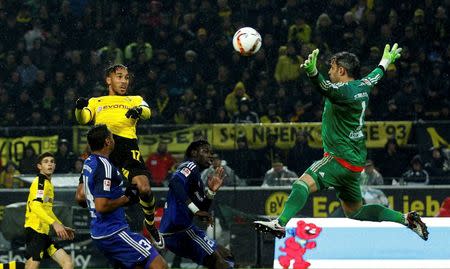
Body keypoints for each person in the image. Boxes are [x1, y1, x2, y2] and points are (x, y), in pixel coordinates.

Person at [254, 44, 429, 241]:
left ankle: (280, 222)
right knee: (354, 212)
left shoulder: (343, 91)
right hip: (354, 163)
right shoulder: (363, 85)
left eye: (331, 67)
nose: (329, 71)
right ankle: (406, 219)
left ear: (341, 70)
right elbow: (376, 75)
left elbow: (324, 87)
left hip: (338, 158)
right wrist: (385, 61)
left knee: (301, 185)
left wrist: (313, 73)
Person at [74, 64, 164, 248]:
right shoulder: (96, 102)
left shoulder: (134, 99)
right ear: (108, 80)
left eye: (126, 78)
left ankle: (150, 223)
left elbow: (147, 111)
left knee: (144, 189)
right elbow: (83, 118)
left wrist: (138, 111)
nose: (124, 81)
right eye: (119, 77)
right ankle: (114, 212)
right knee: (81, 197)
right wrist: (79, 108)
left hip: (126, 147)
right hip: (101, 149)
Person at [75, 124, 167, 269]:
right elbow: (101, 206)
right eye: (112, 136)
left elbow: (80, 196)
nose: (114, 139)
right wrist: (126, 198)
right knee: (159, 265)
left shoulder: (89, 162)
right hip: (113, 232)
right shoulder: (104, 167)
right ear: (107, 141)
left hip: (99, 231)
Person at [160, 139, 235, 269]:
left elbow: (203, 209)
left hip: (181, 232)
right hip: (180, 231)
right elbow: (175, 183)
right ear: (194, 153)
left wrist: (211, 191)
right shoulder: (190, 165)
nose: (210, 155)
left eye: (211, 152)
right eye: (205, 151)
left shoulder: (197, 180)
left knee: (227, 256)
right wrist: (195, 210)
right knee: (221, 263)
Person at [24, 152, 75, 269]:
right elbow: (36, 206)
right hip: (35, 231)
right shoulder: (40, 182)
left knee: (68, 263)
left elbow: (47, 210)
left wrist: (61, 225)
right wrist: (55, 224)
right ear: (39, 166)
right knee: (31, 266)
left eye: (52, 161)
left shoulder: (48, 184)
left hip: (44, 233)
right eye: (46, 162)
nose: (50, 164)